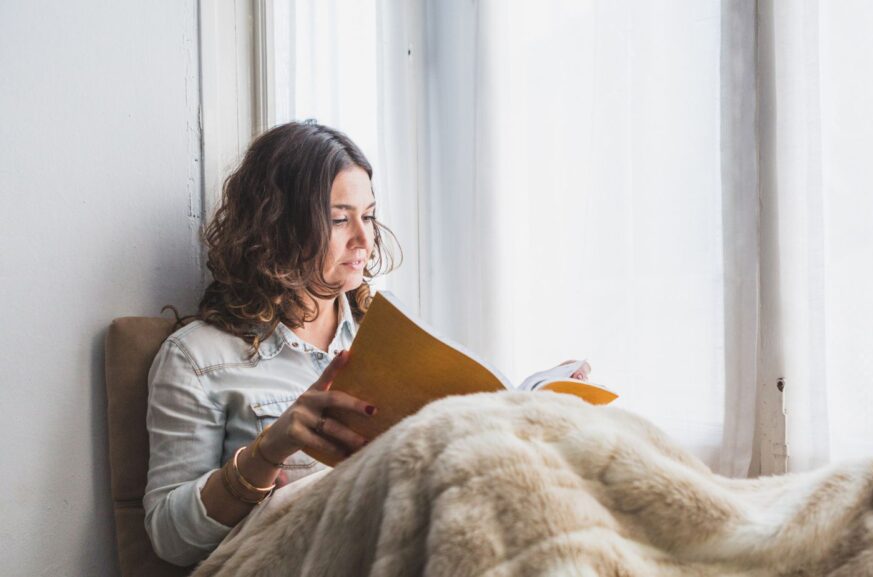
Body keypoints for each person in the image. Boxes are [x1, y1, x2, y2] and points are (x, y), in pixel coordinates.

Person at [143, 121, 590, 567]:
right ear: (277, 228)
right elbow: (170, 540)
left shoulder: (389, 337)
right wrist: (267, 451)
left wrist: (536, 406)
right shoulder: (199, 358)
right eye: (340, 219)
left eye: (369, 215)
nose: (364, 238)